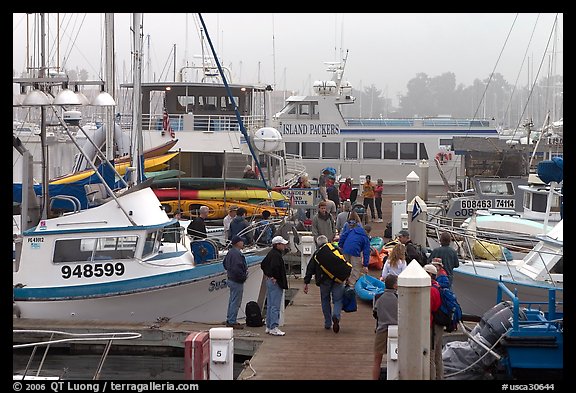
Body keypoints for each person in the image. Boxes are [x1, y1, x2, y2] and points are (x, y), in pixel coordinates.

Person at [303, 235, 346, 333]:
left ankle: (327, 322)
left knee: (325, 300)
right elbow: (343, 263)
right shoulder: (336, 250)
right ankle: (336, 316)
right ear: (328, 242)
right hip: (338, 279)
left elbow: (310, 269)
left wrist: (306, 282)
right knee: (338, 300)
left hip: (324, 281)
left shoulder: (317, 254)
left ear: (318, 244)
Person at [260, 236, 289, 336]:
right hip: (275, 283)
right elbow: (275, 267)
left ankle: (268, 326)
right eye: (282, 244)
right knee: (275, 306)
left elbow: (263, 264)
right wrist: (274, 276)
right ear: (278, 245)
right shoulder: (276, 255)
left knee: (270, 305)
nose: (284, 245)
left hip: (270, 282)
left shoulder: (271, 253)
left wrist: (268, 274)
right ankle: (274, 327)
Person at [372, 274, 399, 380]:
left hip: (382, 330)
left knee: (377, 361)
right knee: (397, 360)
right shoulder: (398, 298)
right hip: (396, 331)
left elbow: (375, 313)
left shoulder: (378, 297)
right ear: (395, 285)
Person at [338, 211, 371, 287]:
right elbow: (366, 252)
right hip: (355, 252)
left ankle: (343, 282)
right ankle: (351, 285)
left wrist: (341, 245)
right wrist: (365, 265)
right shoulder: (365, 237)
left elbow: (343, 236)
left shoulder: (352, 230)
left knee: (346, 266)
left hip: (346, 249)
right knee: (355, 269)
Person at [223, 236, 248, 329]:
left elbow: (225, 264)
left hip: (231, 279)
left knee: (232, 300)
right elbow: (237, 268)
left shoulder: (230, 252)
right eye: (242, 242)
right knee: (236, 301)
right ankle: (232, 321)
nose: (243, 243)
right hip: (237, 280)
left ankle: (230, 319)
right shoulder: (237, 254)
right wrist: (243, 276)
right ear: (237, 243)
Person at [424, 263, 444, 380]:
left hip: (433, 325)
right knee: (438, 355)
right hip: (439, 324)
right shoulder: (438, 286)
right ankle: (439, 376)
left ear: (430, 274)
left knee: (430, 355)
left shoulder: (431, 290)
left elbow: (431, 308)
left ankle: (431, 377)